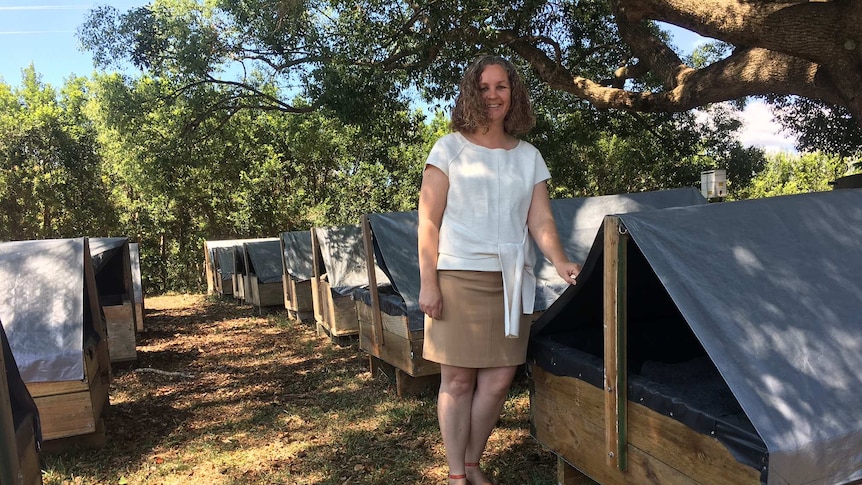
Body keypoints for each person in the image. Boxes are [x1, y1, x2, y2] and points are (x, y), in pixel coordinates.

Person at [417, 55, 581, 485]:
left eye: (502, 87)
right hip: (457, 277)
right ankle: (456, 476)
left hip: (512, 282)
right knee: (456, 381)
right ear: (472, 90)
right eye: (485, 86)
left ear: (514, 94)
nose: (493, 95)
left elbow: (540, 220)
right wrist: (428, 282)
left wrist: (561, 260)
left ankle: (472, 463)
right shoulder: (448, 148)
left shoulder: (528, 157)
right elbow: (428, 220)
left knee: (497, 381)